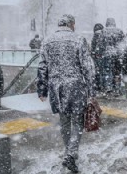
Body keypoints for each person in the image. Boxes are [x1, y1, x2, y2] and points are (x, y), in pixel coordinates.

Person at [37, 14, 96, 173]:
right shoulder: (79, 40)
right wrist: (91, 90)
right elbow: (88, 67)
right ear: (71, 24)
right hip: (75, 86)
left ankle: (69, 152)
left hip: (56, 87)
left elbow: (42, 67)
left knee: (64, 120)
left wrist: (42, 89)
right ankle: (71, 154)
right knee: (77, 121)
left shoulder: (47, 41)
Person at [101, 18, 124, 96]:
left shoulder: (104, 31)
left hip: (107, 54)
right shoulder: (119, 31)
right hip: (118, 55)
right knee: (117, 72)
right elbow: (123, 43)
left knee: (107, 71)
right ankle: (117, 89)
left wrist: (99, 52)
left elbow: (100, 44)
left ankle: (108, 88)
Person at [91, 23, 104, 93]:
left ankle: (98, 87)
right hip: (103, 56)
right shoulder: (103, 35)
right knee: (105, 72)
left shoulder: (95, 36)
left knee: (97, 72)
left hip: (96, 56)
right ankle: (106, 87)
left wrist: (93, 54)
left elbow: (93, 47)